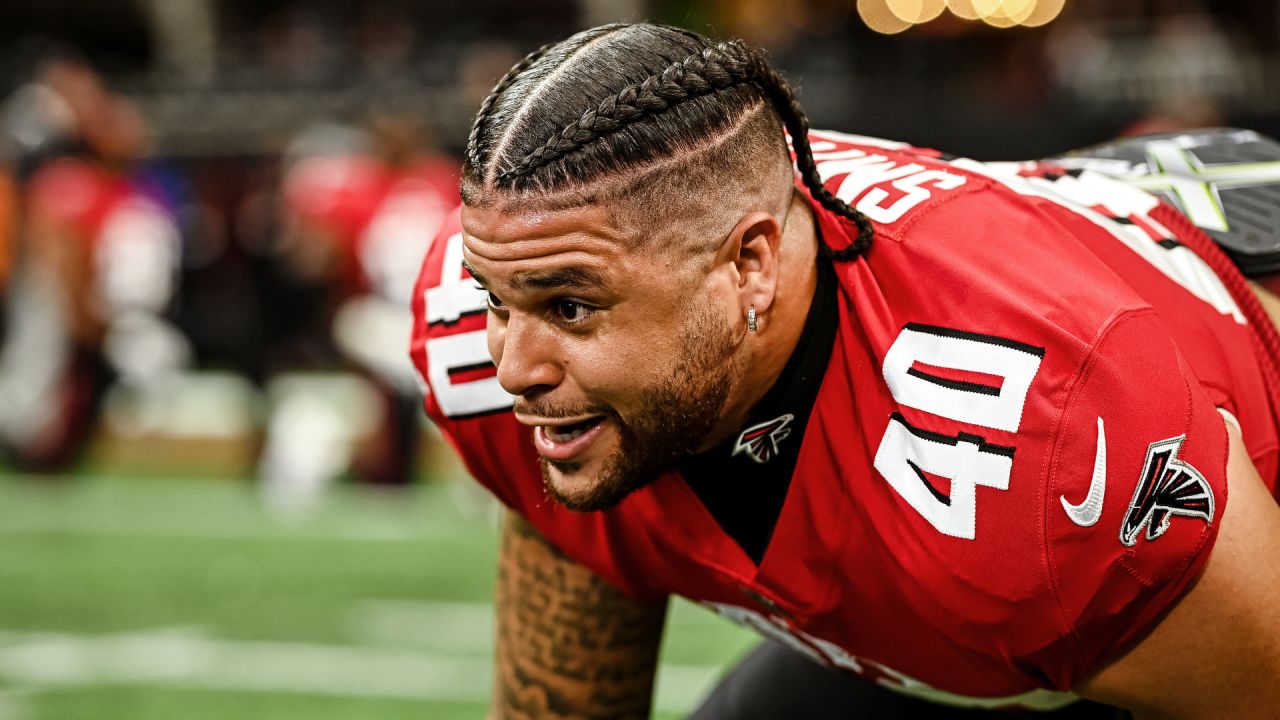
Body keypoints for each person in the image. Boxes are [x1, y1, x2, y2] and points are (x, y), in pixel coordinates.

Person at [410, 23, 1280, 719]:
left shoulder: (1034, 437)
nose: (513, 367)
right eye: (497, 300)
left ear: (749, 266)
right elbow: (582, 582)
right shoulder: (525, 279)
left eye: (570, 308)